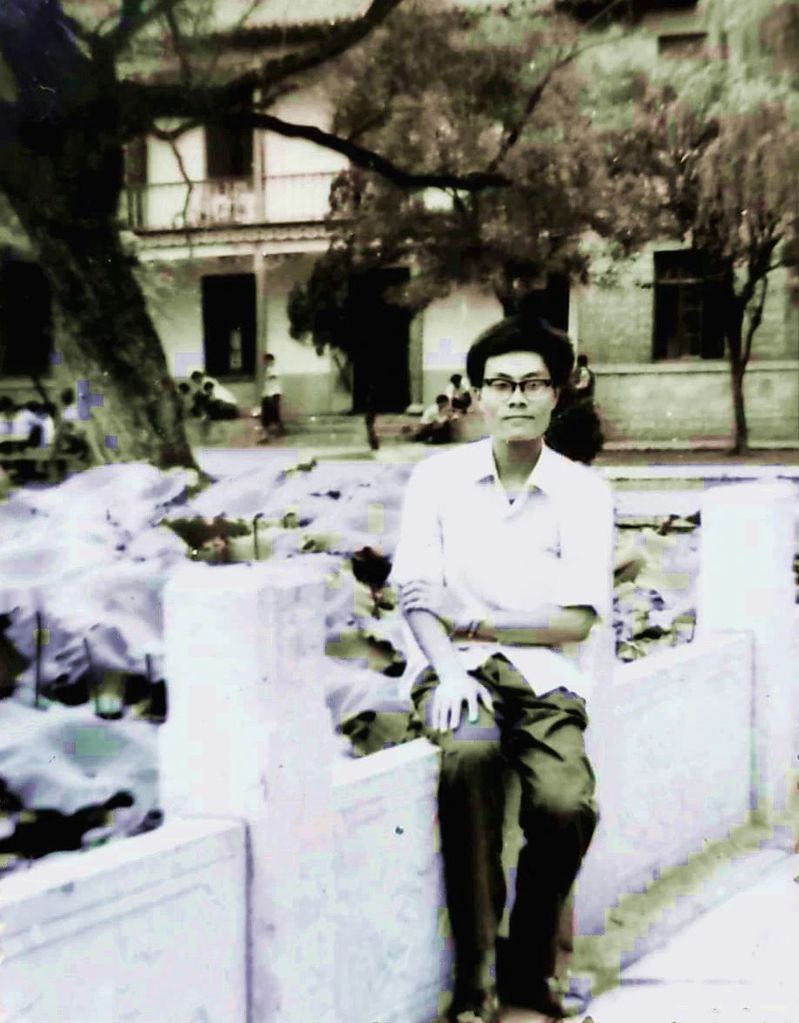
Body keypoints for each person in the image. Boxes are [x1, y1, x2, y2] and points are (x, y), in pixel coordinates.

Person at [391, 315, 614, 1022]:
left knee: (564, 803)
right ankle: (477, 977)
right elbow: (415, 595)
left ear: (557, 394)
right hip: (455, 668)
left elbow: (575, 620)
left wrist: (474, 620)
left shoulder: (583, 492)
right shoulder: (436, 478)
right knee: (468, 757)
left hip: (545, 678)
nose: (516, 397)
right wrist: (451, 668)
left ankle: (530, 965)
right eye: (501, 384)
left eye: (532, 383)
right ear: (477, 395)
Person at [259, 353, 286, 442]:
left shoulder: (273, 369)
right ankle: (275, 432)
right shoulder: (270, 369)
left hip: (271, 395)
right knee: (272, 414)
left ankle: (267, 435)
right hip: (270, 394)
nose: (266, 363)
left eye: (268, 361)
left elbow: (273, 379)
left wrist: (267, 395)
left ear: (271, 361)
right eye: (266, 361)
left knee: (269, 415)